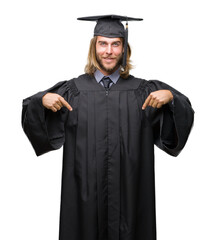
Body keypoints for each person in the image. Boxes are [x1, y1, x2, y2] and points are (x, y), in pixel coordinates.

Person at [22, 15, 194, 240]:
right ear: (94, 48)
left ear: (124, 49)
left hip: (132, 196)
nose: (109, 51)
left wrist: (172, 98)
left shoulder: (143, 92)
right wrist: (41, 101)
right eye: (103, 43)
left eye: (116, 44)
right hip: (83, 197)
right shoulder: (72, 91)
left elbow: (181, 122)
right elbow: (31, 116)